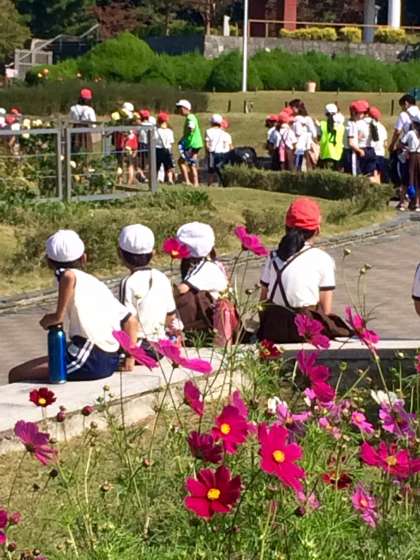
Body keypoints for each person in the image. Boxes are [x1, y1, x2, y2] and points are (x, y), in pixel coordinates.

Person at [9, 230, 138, 383]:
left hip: (89, 359)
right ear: (84, 258)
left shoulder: (67, 275)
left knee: (16, 374)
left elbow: (68, 276)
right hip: (110, 358)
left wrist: (55, 317)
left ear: (49, 262)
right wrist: (130, 357)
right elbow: (130, 320)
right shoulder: (95, 283)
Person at [258, 197, 351, 343]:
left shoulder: (273, 257)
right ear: (317, 230)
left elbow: (262, 301)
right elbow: (326, 310)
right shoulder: (322, 258)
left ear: (286, 228)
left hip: (273, 328)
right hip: (304, 329)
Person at [118, 224, 181, 350]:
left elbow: (128, 321)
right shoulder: (162, 277)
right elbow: (171, 316)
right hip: (161, 343)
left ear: (120, 254)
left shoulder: (128, 282)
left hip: (140, 344)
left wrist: (129, 354)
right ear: (153, 254)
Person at [174, 222, 228, 334]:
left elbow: (181, 289)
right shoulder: (211, 263)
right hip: (213, 314)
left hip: (213, 319)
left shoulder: (205, 267)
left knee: (185, 298)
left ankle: (191, 333)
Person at [389, 95, 418, 210]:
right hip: (418, 150)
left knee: (404, 175)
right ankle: (416, 202)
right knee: (417, 176)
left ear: (406, 103)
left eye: (402, 106)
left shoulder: (404, 115)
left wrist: (392, 144)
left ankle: (403, 201)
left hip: (406, 150)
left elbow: (397, 131)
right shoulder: (419, 113)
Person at [343, 100, 375, 178]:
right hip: (352, 152)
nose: (363, 114)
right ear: (355, 113)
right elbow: (351, 143)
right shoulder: (352, 124)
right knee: (355, 175)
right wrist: (360, 150)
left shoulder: (354, 123)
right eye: (361, 112)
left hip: (354, 151)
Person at [176, 99, 204, 187]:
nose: (179, 110)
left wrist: (186, 137)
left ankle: (189, 182)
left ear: (185, 108)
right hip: (196, 143)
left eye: (180, 108)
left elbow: (191, 127)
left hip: (191, 144)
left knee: (184, 162)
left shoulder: (190, 117)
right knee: (191, 162)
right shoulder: (191, 117)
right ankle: (195, 182)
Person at [399, 114, 420, 212]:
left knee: (406, 179)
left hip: (411, 157)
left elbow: (400, 143)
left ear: (414, 124)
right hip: (419, 157)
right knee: (418, 181)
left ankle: (403, 203)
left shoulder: (411, 133)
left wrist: (407, 149)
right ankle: (417, 204)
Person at [205, 113, 233, 185]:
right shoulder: (226, 134)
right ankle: (223, 184)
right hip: (225, 154)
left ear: (212, 122)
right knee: (222, 170)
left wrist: (207, 153)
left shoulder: (208, 131)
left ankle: (209, 185)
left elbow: (207, 144)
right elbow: (230, 147)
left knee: (211, 171)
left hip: (213, 153)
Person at [69, 88, 96, 157]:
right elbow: (93, 124)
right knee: (86, 150)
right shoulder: (90, 110)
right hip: (85, 131)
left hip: (75, 131)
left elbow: (70, 120)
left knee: (74, 149)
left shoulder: (73, 108)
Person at [319, 103, 345, 170]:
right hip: (338, 153)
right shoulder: (341, 126)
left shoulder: (322, 124)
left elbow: (318, 137)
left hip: (325, 154)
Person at [369, 106, 388, 184]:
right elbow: (385, 144)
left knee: (372, 175)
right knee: (378, 175)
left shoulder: (369, 126)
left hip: (373, 153)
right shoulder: (382, 127)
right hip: (381, 154)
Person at [155, 112, 175, 184]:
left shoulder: (156, 130)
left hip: (158, 149)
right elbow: (171, 141)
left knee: (156, 166)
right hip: (167, 149)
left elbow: (154, 140)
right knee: (169, 166)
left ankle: (155, 179)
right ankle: (170, 179)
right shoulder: (169, 131)